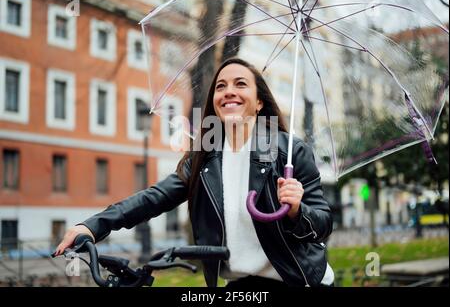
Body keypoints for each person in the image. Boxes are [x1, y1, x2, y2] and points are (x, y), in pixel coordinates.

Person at [55, 58, 334, 287]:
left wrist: (298, 210)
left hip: (297, 279)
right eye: (221, 86)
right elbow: (155, 197)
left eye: (241, 84)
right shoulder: (205, 156)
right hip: (241, 284)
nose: (229, 92)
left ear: (259, 102)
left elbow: (322, 225)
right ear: (215, 100)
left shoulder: (289, 151)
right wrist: (93, 225)